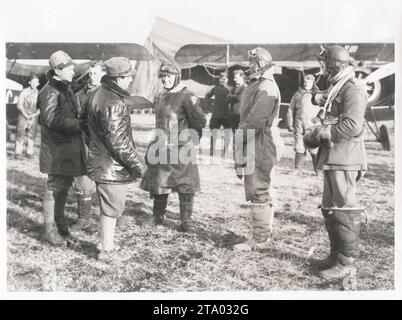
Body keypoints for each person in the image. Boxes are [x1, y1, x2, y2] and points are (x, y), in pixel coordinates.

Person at [303, 45, 367, 280]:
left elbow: (352, 125)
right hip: (335, 157)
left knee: (344, 210)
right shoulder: (338, 87)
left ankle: (347, 264)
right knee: (331, 209)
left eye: (325, 64)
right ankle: (336, 256)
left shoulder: (353, 90)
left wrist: (323, 132)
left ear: (333, 65)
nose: (322, 68)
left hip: (346, 157)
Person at [83, 57, 146, 262]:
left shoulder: (96, 94)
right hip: (112, 166)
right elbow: (119, 144)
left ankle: (105, 243)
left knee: (107, 206)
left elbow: (84, 124)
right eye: (128, 77)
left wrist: (95, 144)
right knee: (112, 208)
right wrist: (140, 166)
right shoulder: (114, 102)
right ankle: (107, 250)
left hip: (101, 162)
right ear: (118, 78)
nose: (130, 81)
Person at [141, 63, 206, 232]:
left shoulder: (187, 95)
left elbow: (199, 121)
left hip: (181, 149)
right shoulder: (160, 96)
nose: (165, 79)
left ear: (177, 76)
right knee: (160, 183)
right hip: (161, 148)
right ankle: (158, 216)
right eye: (163, 76)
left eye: (169, 75)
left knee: (185, 185)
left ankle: (186, 221)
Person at [233, 47, 283, 251]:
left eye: (252, 62)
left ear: (260, 64)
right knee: (260, 189)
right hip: (257, 140)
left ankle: (260, 240)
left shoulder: (267, 87)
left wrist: (238, 139)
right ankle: (262, 236)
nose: (248, 66)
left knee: (259, 189)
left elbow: (254, 121)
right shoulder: (260, 84)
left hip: (261, 141)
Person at [38, 51, 86, 246]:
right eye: (70, 68)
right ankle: (49, 232)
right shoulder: (50, 91)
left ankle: (60, 223)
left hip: (66, 149)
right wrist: (78, 124)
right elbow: (51, 119)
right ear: (58, 70)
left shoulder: (64, 88)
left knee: (64, 186)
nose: (73, 70)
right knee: (54, 188)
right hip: (57, 151)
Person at [71, 61, 105, 231]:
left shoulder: (108, 94)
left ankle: (111, 217)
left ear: (103, 74)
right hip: (83, 143)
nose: (93, 77)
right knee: (82, 179)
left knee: (106, 180)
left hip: (102, 145)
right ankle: (83, 217)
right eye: (90, 73)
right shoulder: (78, 95)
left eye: (96, 74)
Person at [286, 73, 321, 171]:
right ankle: (297, 169)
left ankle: (317, 170)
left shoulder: (317, 95)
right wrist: (290, 124)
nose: (306, 83)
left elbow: (324, 109)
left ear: (313, 82)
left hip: (312, 128)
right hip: (299, 126)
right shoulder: (297, 94)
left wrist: (318, 120)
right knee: (299, 148)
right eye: (305, 81)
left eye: (309, 81)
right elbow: (290, 110)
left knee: (314, 149)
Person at [205, 72, 231, 156]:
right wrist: (211, 105)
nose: (222, 80)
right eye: (221, 79)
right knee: (213, 133)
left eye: (224, 79)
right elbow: (207, 96)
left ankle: (225, 152)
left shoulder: (230, 90)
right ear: (219, 80)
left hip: (227, 115)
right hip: (216, 115)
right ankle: (212, 152)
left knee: (227, 134)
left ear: (227, 80)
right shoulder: (215, 89)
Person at [15, 74, 40, 160]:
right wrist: (25, 114)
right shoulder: (24, 92)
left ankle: (30, 152)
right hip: (23, 115)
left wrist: (34, 115)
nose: (35, 83)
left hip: (33, 117)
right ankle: (18, 152)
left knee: (32, 134)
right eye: (33, 82)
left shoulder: (39, 94)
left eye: (36, 82)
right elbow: (19, 105)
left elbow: (41, 107)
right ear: (29, 82)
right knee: (20, 133)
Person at [227, 69, 247, 136]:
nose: (234, 79)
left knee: (240, 136)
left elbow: (239, 98)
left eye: (236, 77)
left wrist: (232, 96)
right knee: (234, 135)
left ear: (241, 77)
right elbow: (227, 99)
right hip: (233, 115)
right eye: (234, 77)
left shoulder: (245, 87)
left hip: (240, 115)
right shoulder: (234, 88)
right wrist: (233, 96)